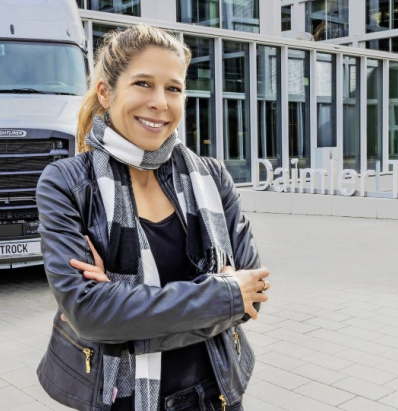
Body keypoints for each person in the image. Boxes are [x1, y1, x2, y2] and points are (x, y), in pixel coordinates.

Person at [35, 24, 270, 411]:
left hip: (218, 394)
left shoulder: (211, 177)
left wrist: (125, 312)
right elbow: (90, 315)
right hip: (122, 399)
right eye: (143, 83)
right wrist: (223, 294)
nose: (160, 102)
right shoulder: (67, 185)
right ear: (106, 93)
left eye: (173, 88)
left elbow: (254, 297)